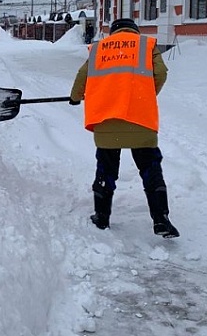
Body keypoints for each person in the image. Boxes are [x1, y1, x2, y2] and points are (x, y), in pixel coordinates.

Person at [69, 18, 179, 238]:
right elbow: (161, 72)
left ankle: (101, 217)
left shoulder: (100, 48)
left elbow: (83, 75)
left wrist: (75, 97)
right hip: (140, 119)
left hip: (107, 119)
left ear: (113, 32)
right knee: (150, 168)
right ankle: (161, 219)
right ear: (134, 31)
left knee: (106, 168)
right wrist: (145, 95)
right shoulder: (146, 46)